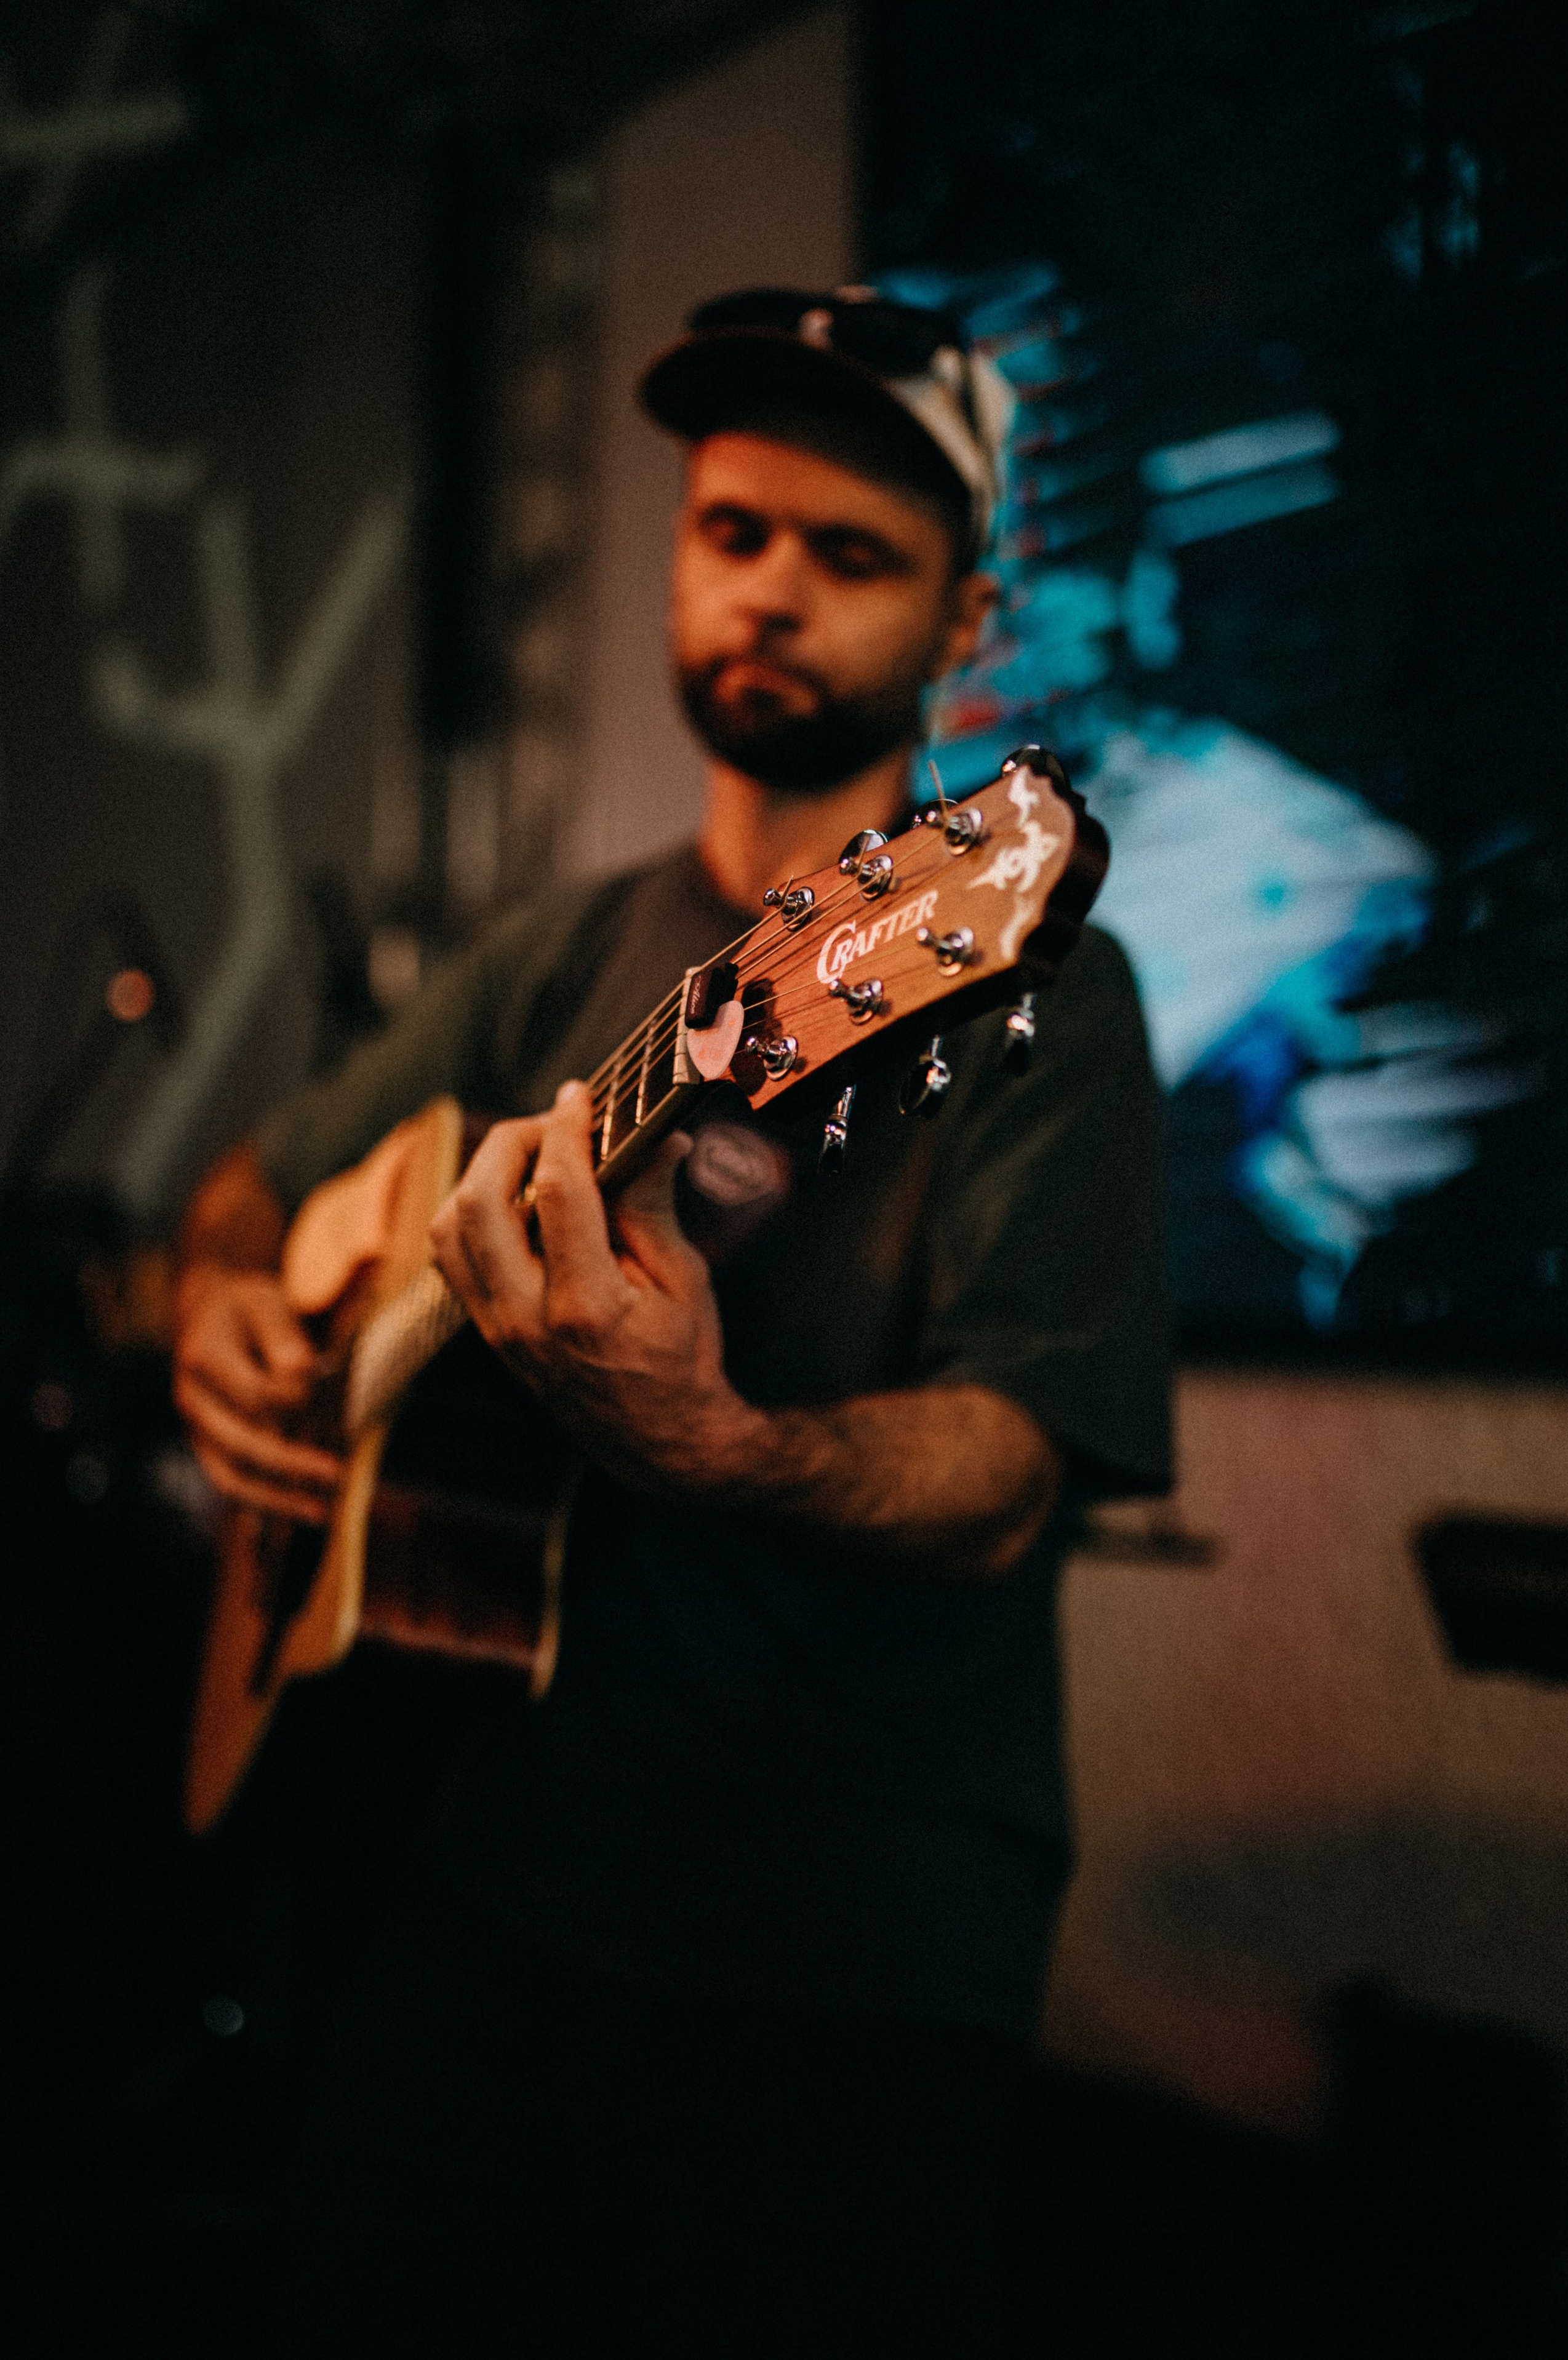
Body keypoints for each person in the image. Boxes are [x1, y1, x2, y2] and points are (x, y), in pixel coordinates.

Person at [173, 287, 1173, 2358]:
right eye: (734, 533)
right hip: (497, 1856)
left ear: (967, 625)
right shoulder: (551, 952)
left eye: (853, 552)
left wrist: (718, 1442)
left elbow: (1009, 1476)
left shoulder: (1022, 984)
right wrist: (226, 1321)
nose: (774, 592)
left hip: (846, 1946)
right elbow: (244, 1195)